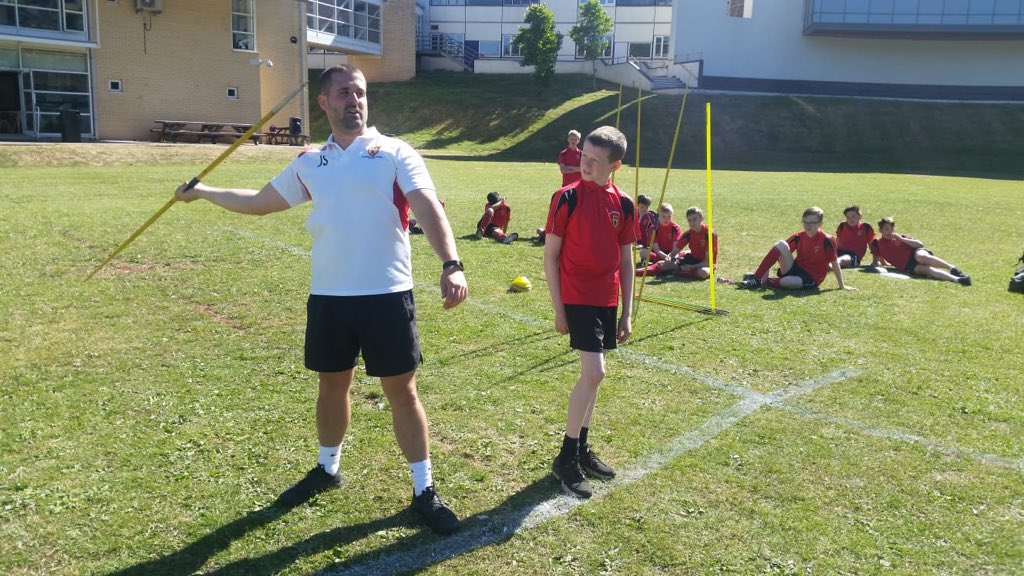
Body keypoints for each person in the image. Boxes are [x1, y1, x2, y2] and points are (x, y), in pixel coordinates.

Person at [173, 65, 468, 535]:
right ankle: (327, 468)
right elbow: (259, 202)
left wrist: (451, 263)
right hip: (330, 296)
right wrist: (204, 192)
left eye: (361, 93)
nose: (355, 100)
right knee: (331, 387)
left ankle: (423, 490)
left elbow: (428, 206)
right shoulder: (310, 161)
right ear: (324, 102)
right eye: (344, 93)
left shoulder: (394, 151)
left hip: (387, 295)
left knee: (402, 392)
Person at [543, 126, 637, 499]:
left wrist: (627, 312)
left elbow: (627, 261)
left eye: (595, 161)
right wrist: (558, 308)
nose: (586, 165)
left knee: (595, 377)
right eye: (584, 158)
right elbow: (550, 256)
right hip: (577, 296)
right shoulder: (565, 198)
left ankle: (581, 449)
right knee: (595, 371)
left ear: (615, 165)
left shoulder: (624, 204)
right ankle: (565, 457)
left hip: (606, 298)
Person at [739, 207, 856, 291]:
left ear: (820, 224)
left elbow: (835, 263)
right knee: (781, 244)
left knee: (788, 282)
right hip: (795, 269)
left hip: (811, 278)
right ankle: (756, 279)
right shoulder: (799, 236)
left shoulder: (827, 240)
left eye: (812, 223)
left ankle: (766, 281)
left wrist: (842, 286)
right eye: (805, 222)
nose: (807, 225)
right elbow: (778, 252)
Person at [869, 217, 971, 285]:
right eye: (886, 229)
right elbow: (878, 260)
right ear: (881, 230)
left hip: (914, 253)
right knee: (927, 270)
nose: (889, 231)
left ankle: (953, 269)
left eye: (891, 229)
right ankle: (957, 280)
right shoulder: (876, 243)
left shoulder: (900, 237)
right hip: (907, 266)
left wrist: (901, 239)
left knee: (922, 257)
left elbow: (920, 244)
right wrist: (880, 264)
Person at [636, 206, 718, 280]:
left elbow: (707, 262)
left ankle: (677, 271)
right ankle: (635, 272)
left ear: (701, 218)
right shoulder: (688, 233)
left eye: (694, 219)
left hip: (705, 264)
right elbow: (676, 250)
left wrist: (691, 267)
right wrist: (669, 257)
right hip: (690, 259)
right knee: (662, 264)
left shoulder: (710, 234)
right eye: (689, 220)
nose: (692, 223)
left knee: (702, 273)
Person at [634, 194, 658, 264]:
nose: (644, 209)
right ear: (637, 205)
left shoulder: (650, 216)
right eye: (642, 207)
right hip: (635, 239)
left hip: (646, 240)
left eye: (647, 207)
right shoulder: (634, 214)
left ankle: (646, 258)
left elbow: (654, 230)